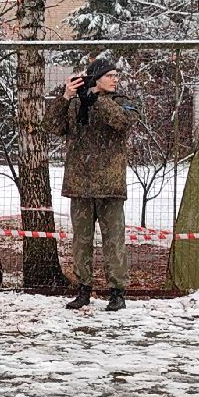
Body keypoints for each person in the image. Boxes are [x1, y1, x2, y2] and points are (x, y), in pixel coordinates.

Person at [47, 57, 134, 312]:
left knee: (114, 242)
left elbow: (123, 122)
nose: (115, 79)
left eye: (116, 75)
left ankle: (117, 293)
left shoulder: (121, 103)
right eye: (109, 75)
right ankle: (83, 289)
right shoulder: (76, 105)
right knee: (81, 242)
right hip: (81, 185)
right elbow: (52, 126)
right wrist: (65, 97)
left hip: (110, 187)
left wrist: (96, 100)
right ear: (96, 78)